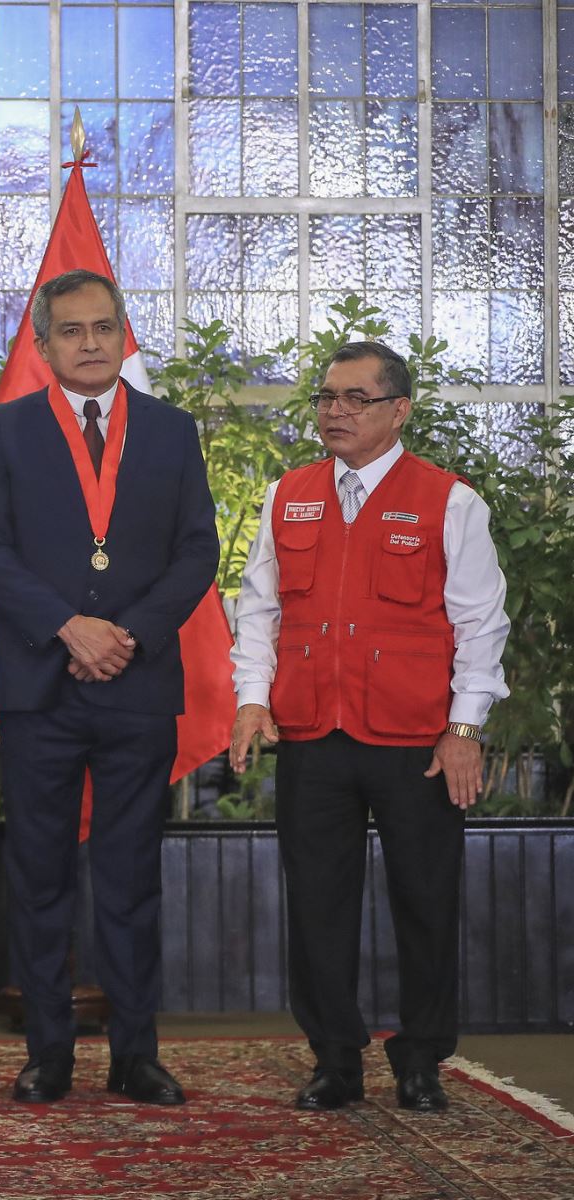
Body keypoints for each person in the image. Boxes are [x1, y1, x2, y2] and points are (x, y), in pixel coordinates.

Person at [229, 340, 509, 1113]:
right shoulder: (289, 495)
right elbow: (258, 610)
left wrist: (465, 727)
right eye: (326, 397)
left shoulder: (449, 501)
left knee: (425, 900)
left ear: (399, 410)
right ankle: (334, 1059)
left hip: (417, 740)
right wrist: (252, 698)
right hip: (313, 734)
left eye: (356, 398)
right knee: (317, 904)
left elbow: (481, 625)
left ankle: (421, 1060)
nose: (335, 411)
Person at [0, 268, 219, 1106]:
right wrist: (69, 627)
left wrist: (128, 634)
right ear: (43, 346)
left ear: (123, 333)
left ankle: (136, 1055)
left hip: (137, 686)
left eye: (104, 327)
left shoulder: (171, 430)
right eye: (71, 330)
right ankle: (49, 1054)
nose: (90, 343)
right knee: (39, 876)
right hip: (41, 687)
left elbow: (197, 550)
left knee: (130, 876)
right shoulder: (8, 430)